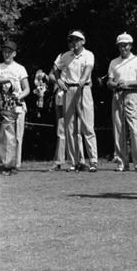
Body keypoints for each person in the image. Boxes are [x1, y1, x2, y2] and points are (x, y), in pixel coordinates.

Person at [49, 30, 98, 172]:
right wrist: (59, 80)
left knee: (87, 126)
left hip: (84, 89)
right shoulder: (65, 56)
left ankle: (93, 161)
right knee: (70, 128)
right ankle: (75, 161)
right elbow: (55, 68)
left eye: (76, 40)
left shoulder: (88, 55)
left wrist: (82, 80)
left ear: (83, 41)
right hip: (68, 90)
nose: (73, 43)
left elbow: (88, 69)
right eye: (71, 40)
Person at [107, 32, 137, 172]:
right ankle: (121, 162)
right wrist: (116, 85)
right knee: (118, 129)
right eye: (121, 45)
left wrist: (127, 83)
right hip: (117, 95)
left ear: (130, 45)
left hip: (132, 95)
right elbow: (109, 81)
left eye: (126, 45)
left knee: (134, 129)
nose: (123, 48)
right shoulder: (114, 62)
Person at [0, 40, 30, 174]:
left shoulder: (20, 68)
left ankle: (15, 165)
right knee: (3, 136)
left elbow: (27, 88)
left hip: (17, 105)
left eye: (9, 52)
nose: (6, 54)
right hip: (2, 106)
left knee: (17, 136)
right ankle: (4, 163)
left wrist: (18, 97)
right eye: (4, 51)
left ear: (14, 54)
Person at [48, 62, 86, 171]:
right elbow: (51, 75)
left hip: (77, 95)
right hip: (61, 96)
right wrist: (60, 81)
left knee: (77, 129)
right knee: (61, 130)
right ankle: (59, 161)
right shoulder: (61, 57)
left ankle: (80, 161)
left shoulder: (82, 57)